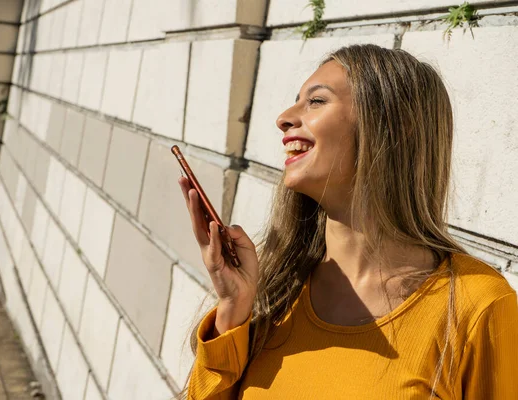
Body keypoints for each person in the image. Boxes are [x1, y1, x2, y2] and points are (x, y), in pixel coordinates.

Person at [176, 44, 518, 399]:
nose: (284, 117)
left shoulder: (479, 305)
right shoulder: (276, 291)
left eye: (317, 101)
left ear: (396, 126)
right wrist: (233, 309)